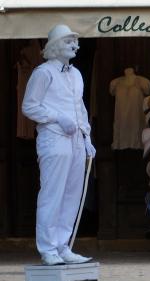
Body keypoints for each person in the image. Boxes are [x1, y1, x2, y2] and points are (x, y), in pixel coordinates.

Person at [22, 24, 95, 266]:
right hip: (54, 138)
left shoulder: (76, 74)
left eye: (75, 41)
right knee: (52, 194)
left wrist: (87, 137)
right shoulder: (43, 73)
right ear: (54, 46)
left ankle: (63, 245)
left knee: (71, 194)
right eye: (68, 41)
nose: (74, 45)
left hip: (75, 139)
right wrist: (56, 117)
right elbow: (29, 106)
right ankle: (48, 248)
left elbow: (80, 106)